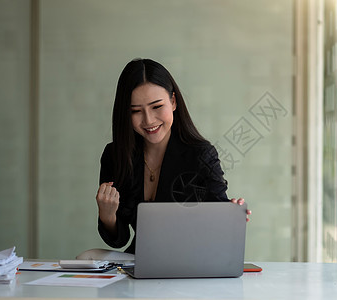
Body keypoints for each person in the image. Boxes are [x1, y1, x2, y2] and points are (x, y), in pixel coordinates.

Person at [95, 58, 250, 254]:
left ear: (173, 101)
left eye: (157, 106)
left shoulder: (201, 154)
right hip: (141, 261)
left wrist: (230, 213)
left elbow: (218, 219)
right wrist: (107, 215)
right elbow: (120, 240)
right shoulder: (115, 155)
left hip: (189, 262)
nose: (149, 120)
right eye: (136, 111)